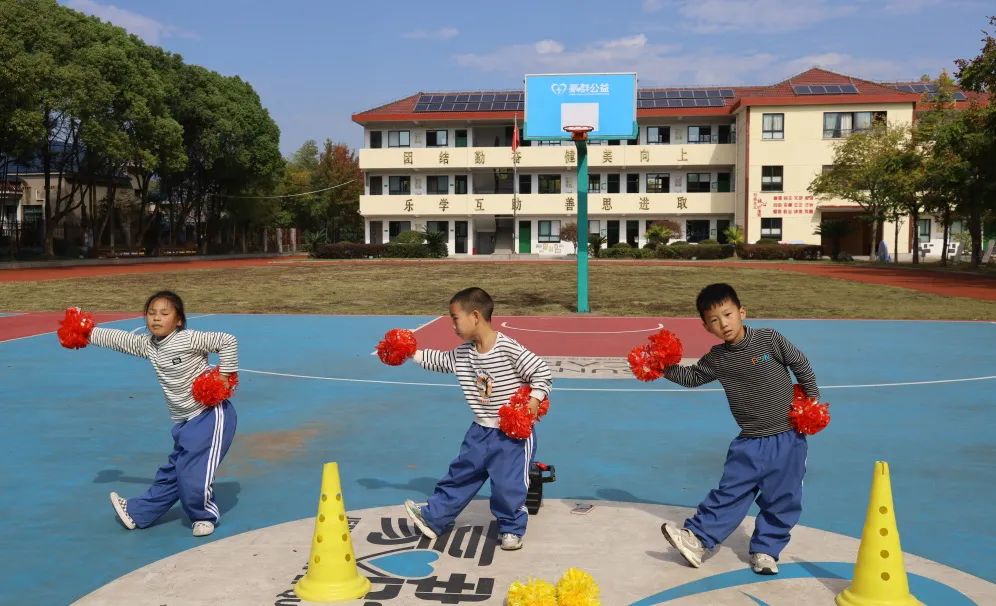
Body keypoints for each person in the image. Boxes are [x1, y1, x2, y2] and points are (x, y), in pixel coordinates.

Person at [659, 283, 820, 575]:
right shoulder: (717, 358)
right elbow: (692, 377)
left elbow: (799, 362)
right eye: (714, 320)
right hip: (750, 442)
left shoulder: (769, 339)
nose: (723, 324)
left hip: (789, 437)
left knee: (783, 497)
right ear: (706, 327)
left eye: (728, 314)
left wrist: (812, 399)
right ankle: (698, 540)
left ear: (741, 312)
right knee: (730, 492)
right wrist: (663, 365)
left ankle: (766, 551)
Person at [402, 287, 552, 551]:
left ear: (474, 316)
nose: (452, 325)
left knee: (508, 484)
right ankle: (434, 517)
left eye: (455, 318)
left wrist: (535, 398)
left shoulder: (507, 348)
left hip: (512, 435)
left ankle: (511, 528)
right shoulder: (464, 354)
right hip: (480, 431)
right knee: (461, 475)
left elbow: (541, 371)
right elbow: (441, 360)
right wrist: (410, 353)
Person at [86, 290, 238, 537]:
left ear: (178, 320)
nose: (156, 318)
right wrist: (86, 331)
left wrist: (224, 377)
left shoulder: (188, 339)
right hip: (183, 421)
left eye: (164, 313)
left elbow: (227, 340)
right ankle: (139, 512)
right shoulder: (149, 345)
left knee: (194, 473)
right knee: (174, 471)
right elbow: (119, 339)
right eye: (151, 313)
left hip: (210, 415)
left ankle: (203, 516)